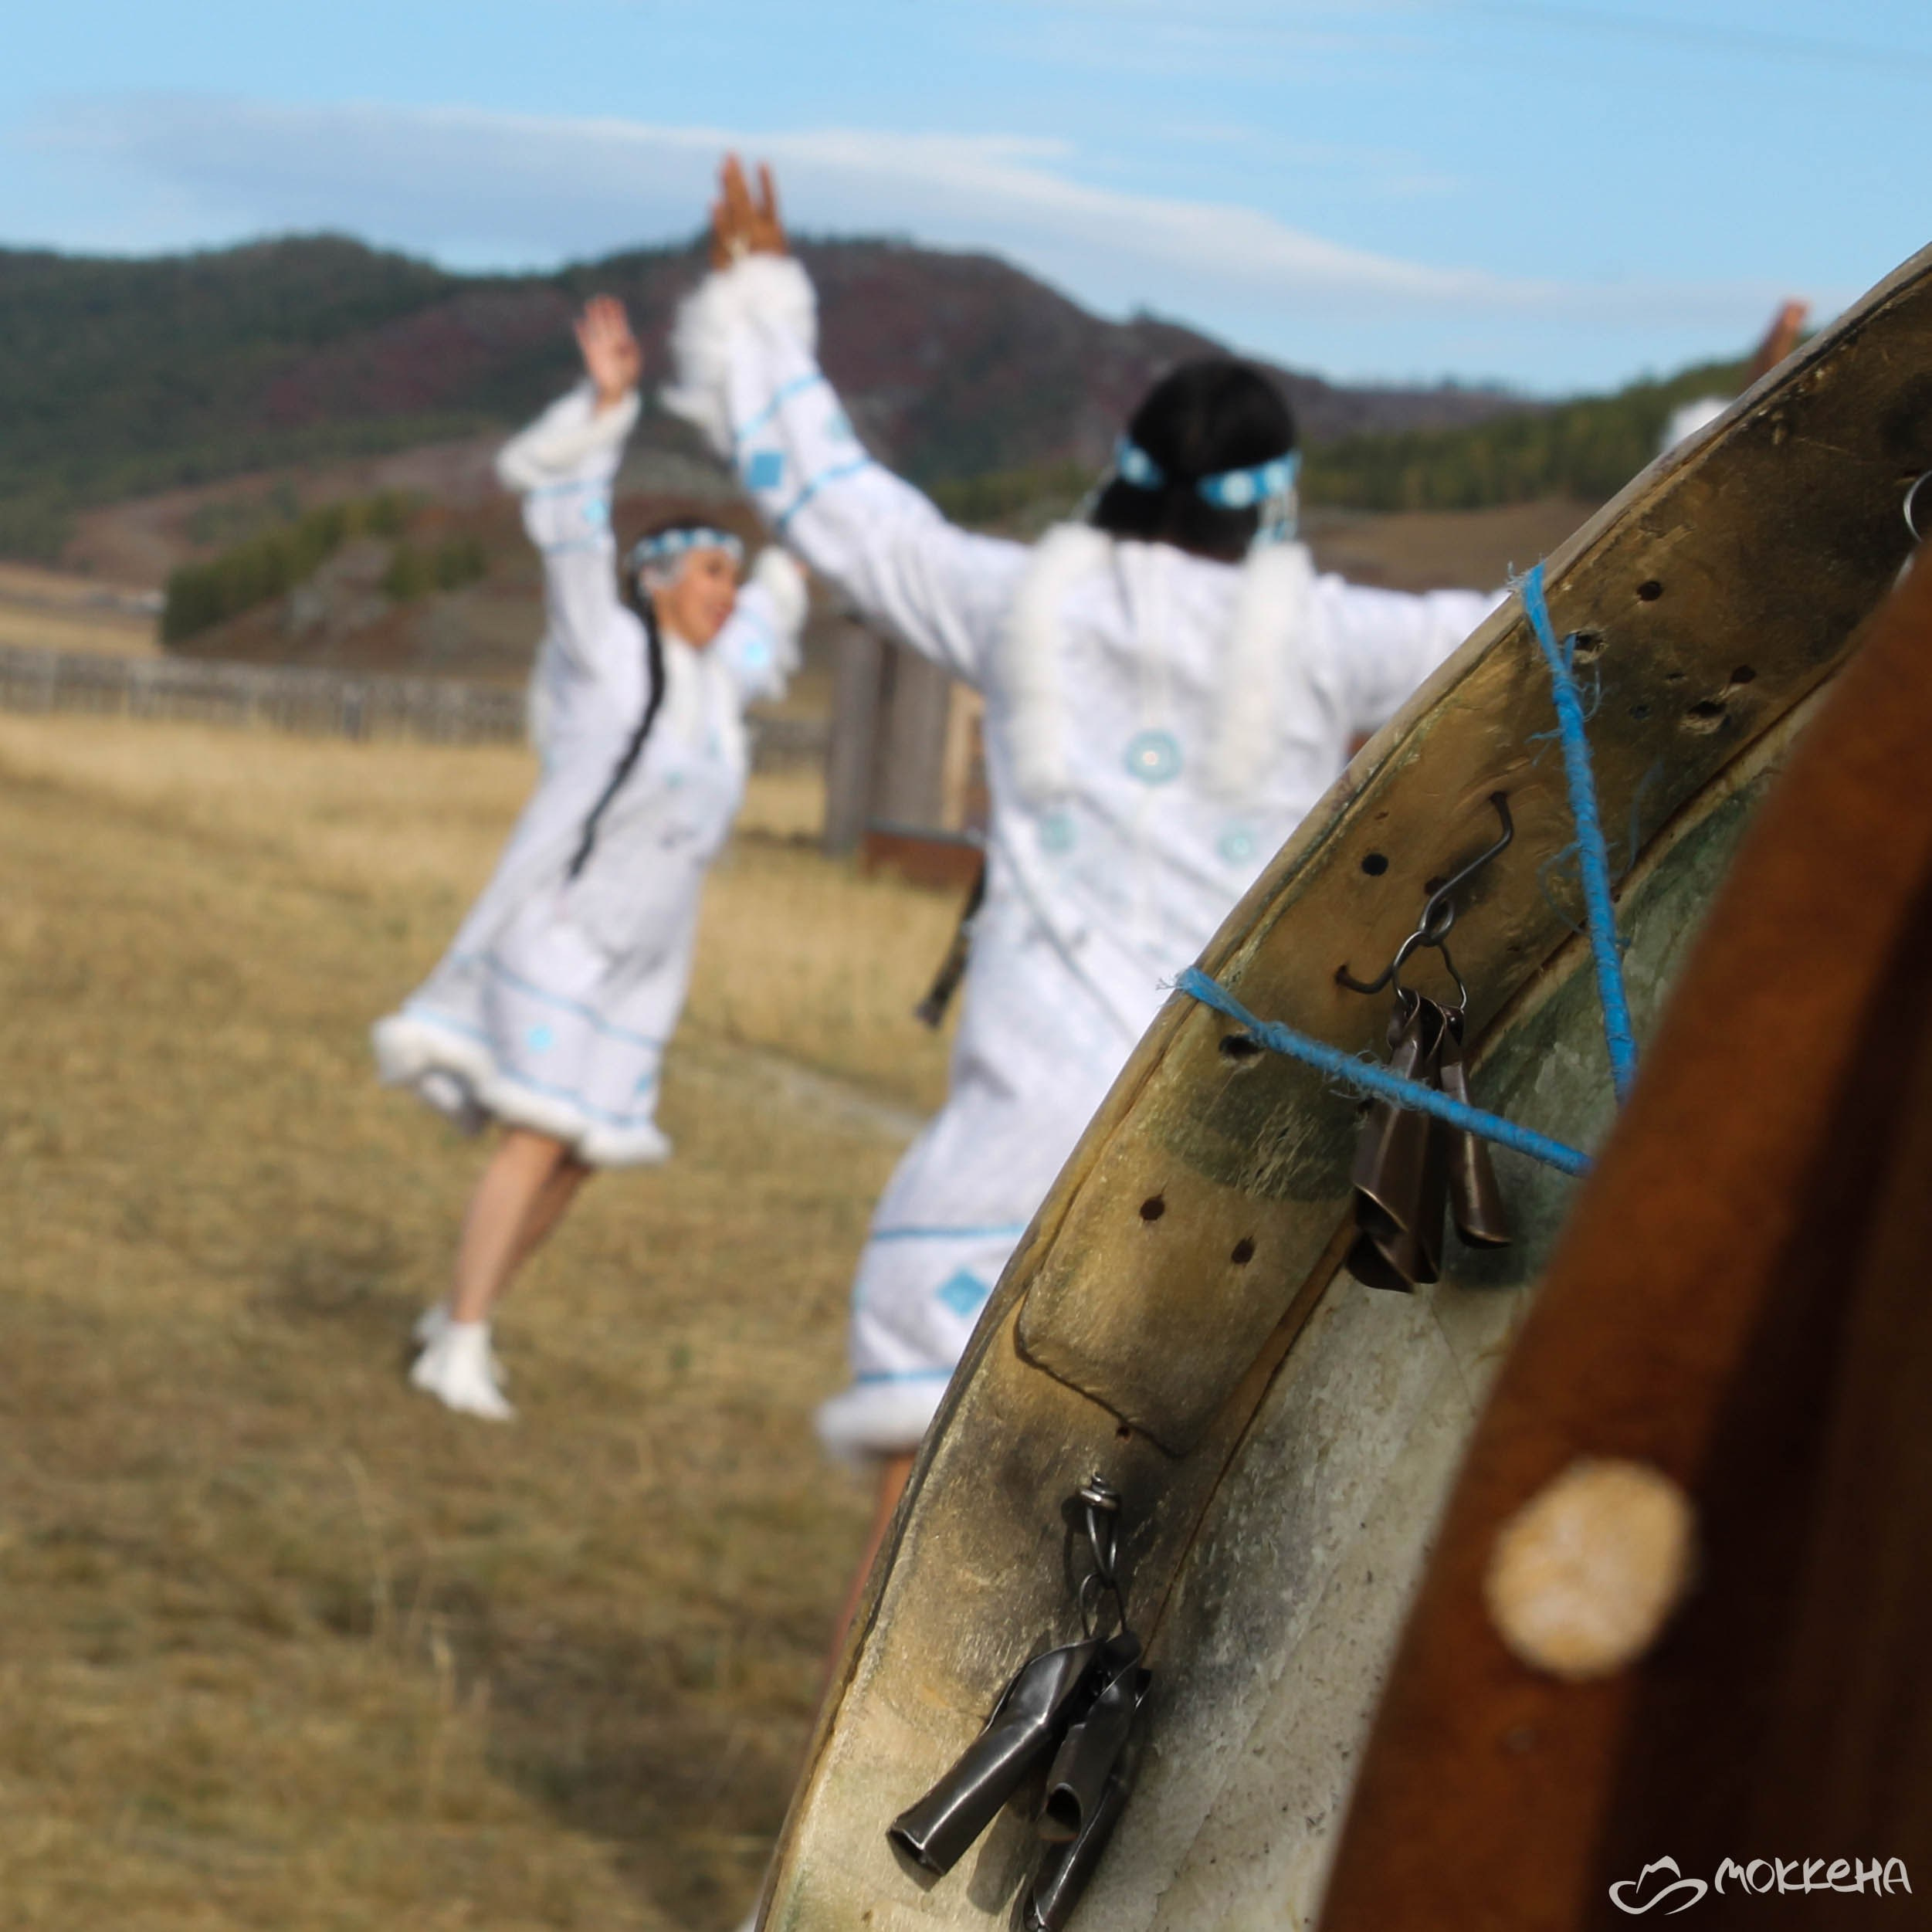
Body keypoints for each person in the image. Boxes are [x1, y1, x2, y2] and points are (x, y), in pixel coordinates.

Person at [665, 157, 1502, 1623]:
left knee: (902, 1595)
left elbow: (840, 503)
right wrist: (1727, 432)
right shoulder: (1326, 637)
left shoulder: (1016, 603)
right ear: (1274, 503)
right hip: (1212, 1183)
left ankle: (811, 1852)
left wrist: (755, 309)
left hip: (997, 1176)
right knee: (1151, 1613)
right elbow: (1556, 633)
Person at [375, 294, 807, 1421]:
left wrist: (768, 399)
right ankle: (460, 1338)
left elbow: (797, 574)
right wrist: (606, 409)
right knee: (537, 1130)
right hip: (563, 934)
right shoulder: (610, 656)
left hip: (643, 960)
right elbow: (568, 527)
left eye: (731, 579)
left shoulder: (722, 684)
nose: (727, 593)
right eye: (710, 576)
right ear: (663, 582)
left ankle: (462, 1313)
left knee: (581, 1152)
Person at [1659, 298, 1809, 453]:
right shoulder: (1701, 420)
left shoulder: (1702, 418)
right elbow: (1757, 398)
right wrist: (1782, 334)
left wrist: (1782, 333)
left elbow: (1757, 395)